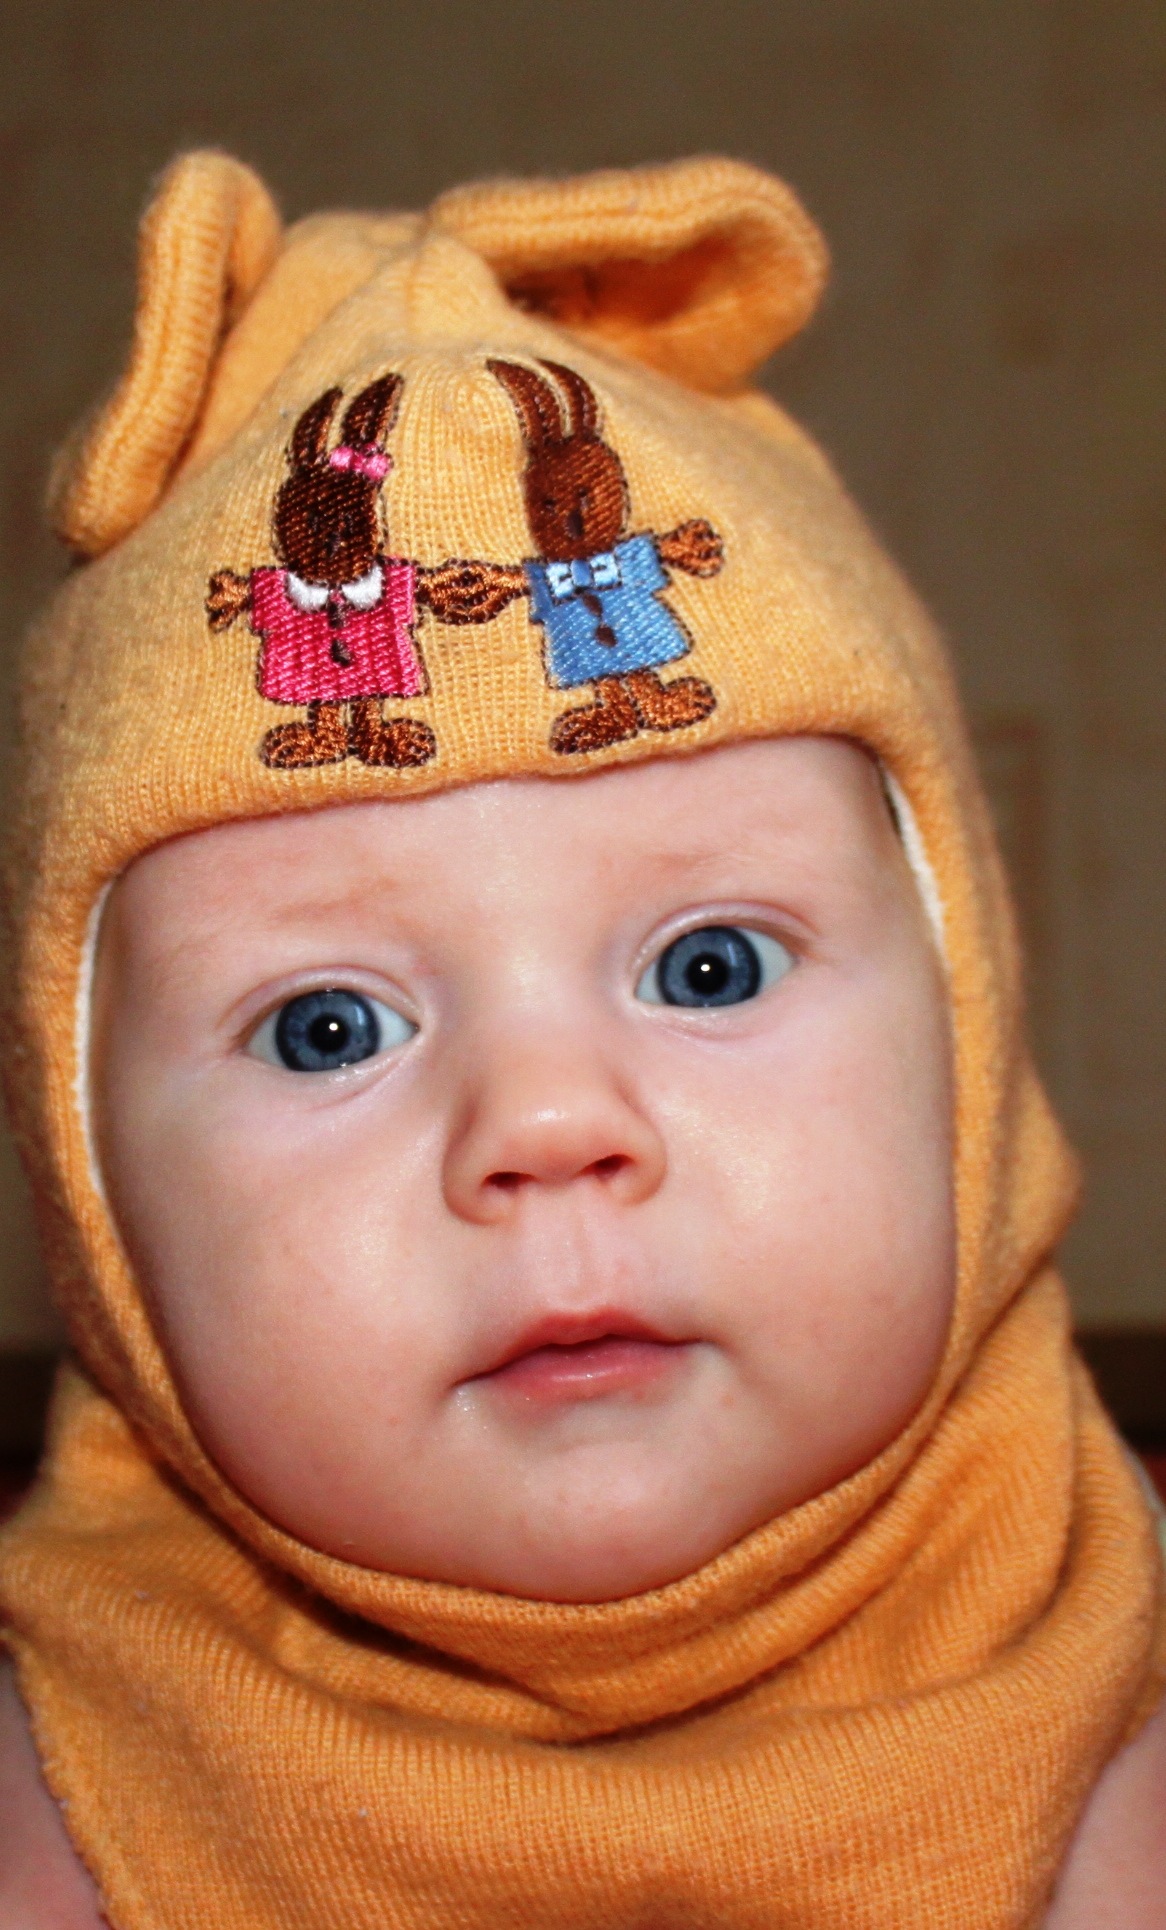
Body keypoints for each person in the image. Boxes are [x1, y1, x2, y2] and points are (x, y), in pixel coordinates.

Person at [0, 150, 1162, 1930]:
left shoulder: (1124, 1687)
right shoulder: (53, 1814)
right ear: (95, 1208)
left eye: (708, 966)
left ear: (967, 1036)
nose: (546, 1123)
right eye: (326, 1026)